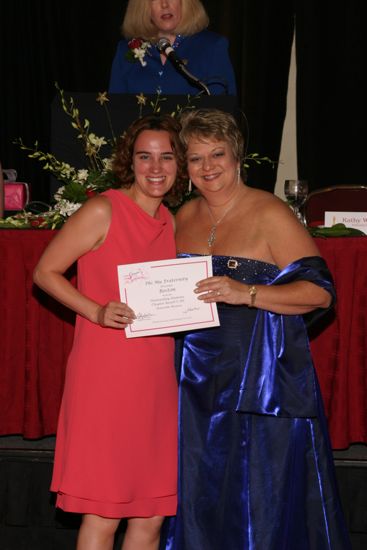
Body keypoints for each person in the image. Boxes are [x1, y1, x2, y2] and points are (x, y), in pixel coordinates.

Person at [160, 108, 352, 549]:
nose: (207, 167)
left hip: (256, 381)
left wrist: (245, 292)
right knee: (200, 493)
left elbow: (320, 293)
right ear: (184, 167)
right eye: (194, 158)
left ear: (237, 156)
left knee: (257, 499)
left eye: (217, 154)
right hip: (190, 381)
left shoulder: (270, 212)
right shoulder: (182, 216)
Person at [33, 114, 187, 550]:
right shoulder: (104, 209)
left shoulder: (171, 222)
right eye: (144, 156)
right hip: (107, 379)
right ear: (129, 161)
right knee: (103, 514)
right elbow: (45, 271)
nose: (155, 168)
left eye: (166, 157)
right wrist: (96, 311)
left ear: (179, 165)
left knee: (152, 516)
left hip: (155, 381)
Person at [108, 0, 237, 96]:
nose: (164, 4)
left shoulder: (212, 47)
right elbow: (114, 114)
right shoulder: (126, 50)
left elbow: (222, 118)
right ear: (143, 7)